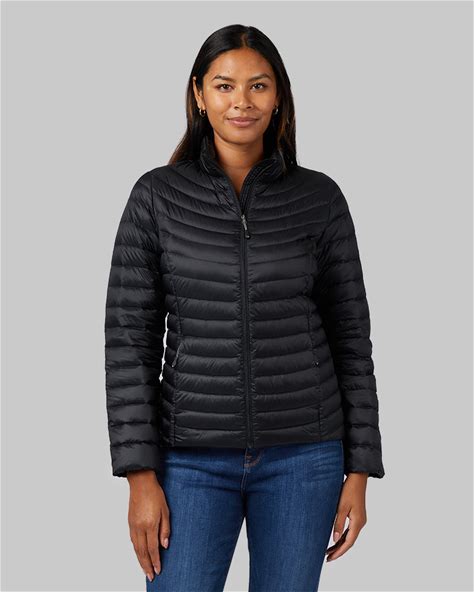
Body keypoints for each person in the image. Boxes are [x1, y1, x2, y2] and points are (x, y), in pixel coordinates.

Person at [104, 24, 385, 592]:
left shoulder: (319, 199)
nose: (242, 101)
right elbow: (129, 344)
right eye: (224, 85)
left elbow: (352, 340)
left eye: (258, 85)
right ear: (199, 94)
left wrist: (360, 468)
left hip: (305, 457)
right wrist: (139, 474)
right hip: (189, 461)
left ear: (278, 96)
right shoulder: (156, 197)